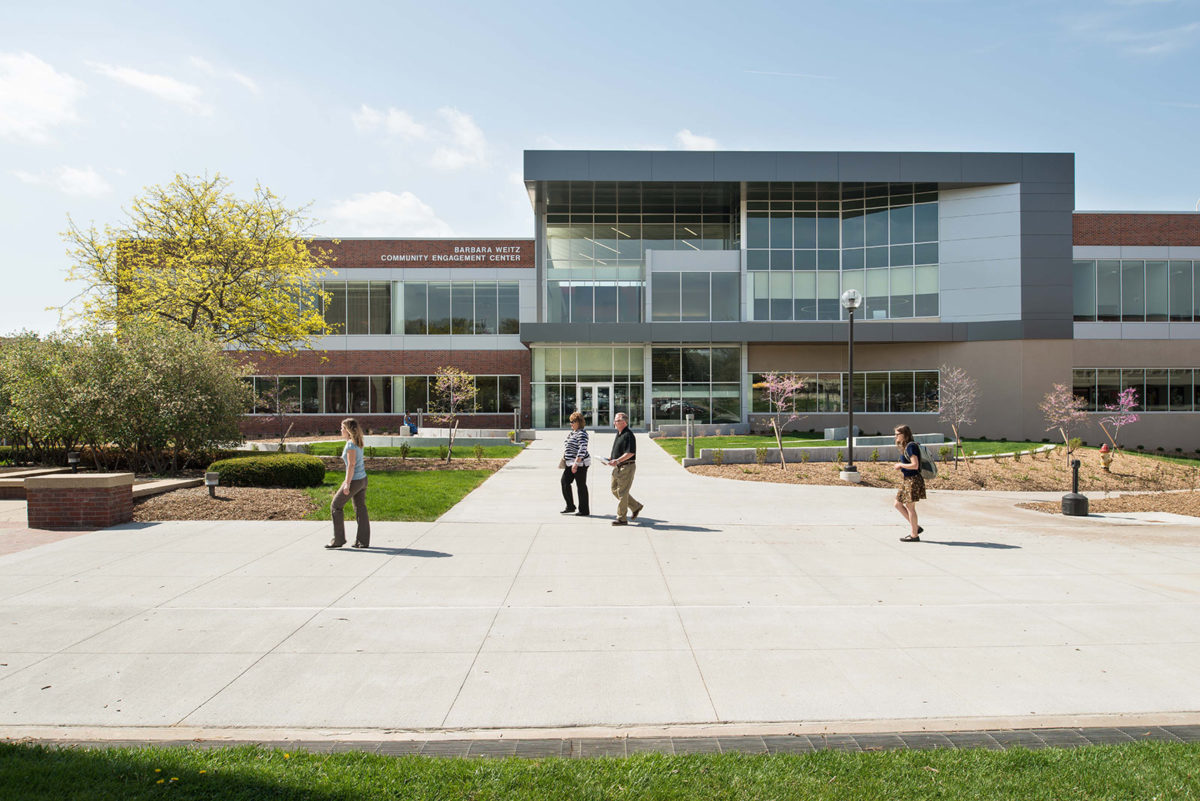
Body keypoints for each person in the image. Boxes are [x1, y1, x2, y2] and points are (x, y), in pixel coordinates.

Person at [327, 417, 370, 549]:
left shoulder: (351, 444)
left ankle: (338, 540)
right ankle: (362, 541)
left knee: (336, 505)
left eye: (342, 428)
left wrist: (347, 483)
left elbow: (351, 465)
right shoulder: (358, 442)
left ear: (348, 430)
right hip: (362, 479)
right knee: (360, 508)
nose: (340, 430)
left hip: (355, 480)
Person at [604, 411, 643, 526]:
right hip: (617, 466)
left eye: (617, 420)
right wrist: (609, 459)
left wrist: (617, 461)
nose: (614, 422)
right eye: (615, 420)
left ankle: (622, 518)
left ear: (624, 422)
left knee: (622, 492)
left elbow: (630, 453)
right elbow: (619, 451)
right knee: (614, 490)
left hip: (627, 467)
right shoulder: (619, 433)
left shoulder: (628, 435)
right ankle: (635, 506)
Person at [892, 424, 926, 542]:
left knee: (910, 507)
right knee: (897, 504)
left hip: (913, 480)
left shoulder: (911, 446)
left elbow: (915, 465)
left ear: (905, 434)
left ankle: (914, 535)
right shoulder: (907, 446)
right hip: (907, 479)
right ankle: (916, 527)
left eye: (897, 434)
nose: (896, 436)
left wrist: (900, 465)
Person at [560, 411, 590, 516]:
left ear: (579, 422)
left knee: (581, 486)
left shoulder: (582, 433)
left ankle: (584, 510)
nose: (571, 424)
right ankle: (570, 506)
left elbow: (582, 449)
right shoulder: (573, 433)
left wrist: (576, 463)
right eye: (570, 422)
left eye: (573, 422)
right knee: (564, 482)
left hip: (580, 464)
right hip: (570, 463)